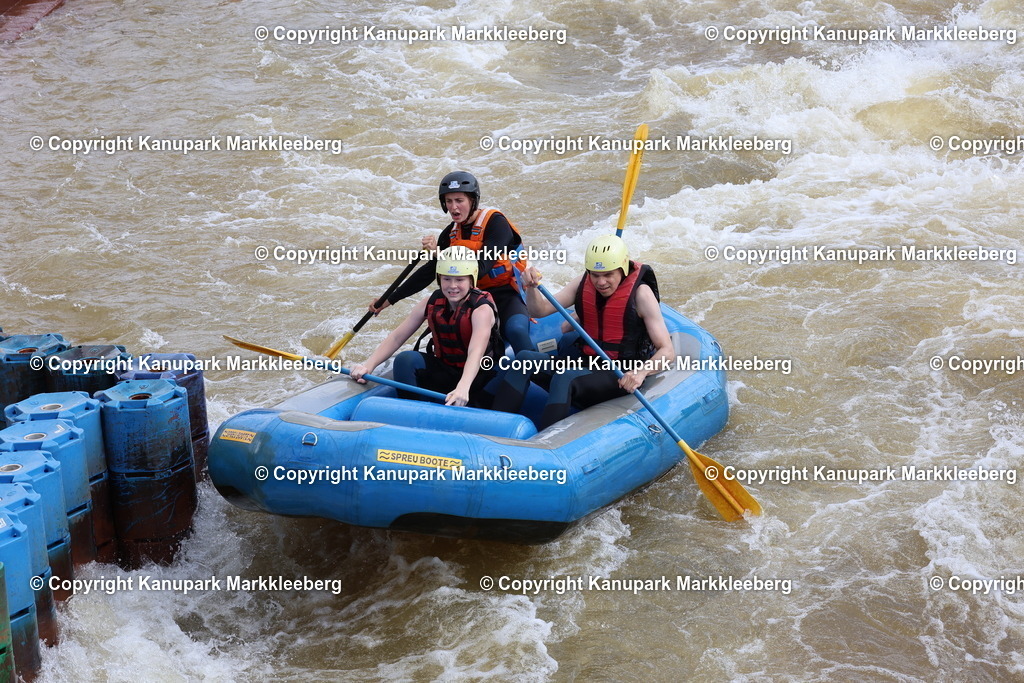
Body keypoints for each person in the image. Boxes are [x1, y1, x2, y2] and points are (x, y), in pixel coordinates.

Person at [492, 235, 675, 429]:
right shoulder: (582, 282)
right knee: (525, 359)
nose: (601, 282)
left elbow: (667, 351)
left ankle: (547, 442)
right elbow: (540, 310)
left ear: (623, 269)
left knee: (565, 376)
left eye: (608, 275)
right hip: (585, 363)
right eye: (595, 275)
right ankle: (496, 427)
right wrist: (530, 288)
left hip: (619, 372)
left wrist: (640, 372)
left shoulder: (641, 295)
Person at [368, 171, 534, 353]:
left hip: (505, 295)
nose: (454, 208)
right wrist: (390, 299)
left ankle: (538, 373)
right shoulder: (450, 234)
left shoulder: (496, 224)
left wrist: (439, 254)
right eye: (448, 201)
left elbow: (481, 267)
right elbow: (430, 272)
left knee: (516, 330)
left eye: (459, 200)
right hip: (472, 298)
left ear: (472, 200)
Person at [350, 246, 502, 407]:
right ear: (439, 279)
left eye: (460, 279)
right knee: (406, 359)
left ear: (471, 280)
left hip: (480, 377)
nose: (452, 286)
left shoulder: (481, 310)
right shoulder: (431, 302)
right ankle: (415, 413)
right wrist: (368, 365)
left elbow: (476, 352)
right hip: (447, 370)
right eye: (446, 279)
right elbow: (397, 337)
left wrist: (463, 387)